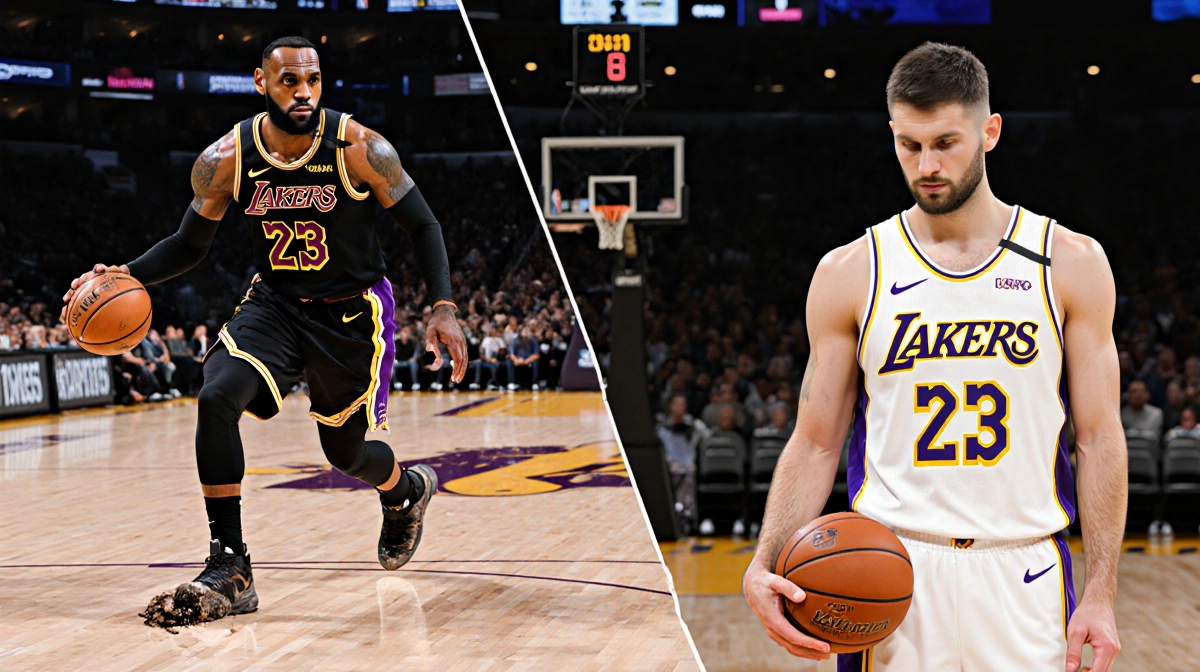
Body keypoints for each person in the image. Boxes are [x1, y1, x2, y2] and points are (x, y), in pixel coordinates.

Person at [742, 43, 1124, 672]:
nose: (927, 165)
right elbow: (814, 441)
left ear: (989, 131)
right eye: (910, 145)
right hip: (891, 575)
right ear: (892, 134)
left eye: (946, 142)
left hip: (1024, 573)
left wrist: (1103, 593)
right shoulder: (850, 271)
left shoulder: (1069, 263)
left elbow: (1100, 436)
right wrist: (764, 559)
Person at [59, 37, 467, 625]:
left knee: (345, 453)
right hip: (276, 304)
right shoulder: (226, 158)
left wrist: (443, 306)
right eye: (289, 81)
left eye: (313, 80)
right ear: (260, 82)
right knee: (216, 395)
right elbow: (188, 245)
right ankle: (231, 565)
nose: (303, 92)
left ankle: (404, 491)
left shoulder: (361, 149)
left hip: (352, 315)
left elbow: (423, 225)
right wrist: (124, 273)